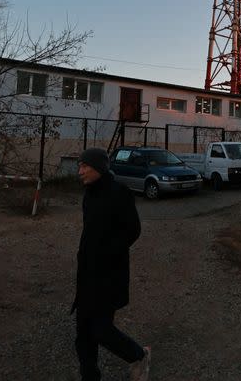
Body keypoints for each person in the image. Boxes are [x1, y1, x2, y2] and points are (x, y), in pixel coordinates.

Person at [71, 147, 150, 381]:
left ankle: (139, 355)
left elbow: (132, 230)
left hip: (109, 275)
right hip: (87, 274)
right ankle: (90, 376)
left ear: (99, 168)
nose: (80, 171)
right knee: (83, 332)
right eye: (79, 166)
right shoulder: (90, 194)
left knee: (101, 330)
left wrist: (107, 253)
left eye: (85, 166)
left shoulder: (119, 192)